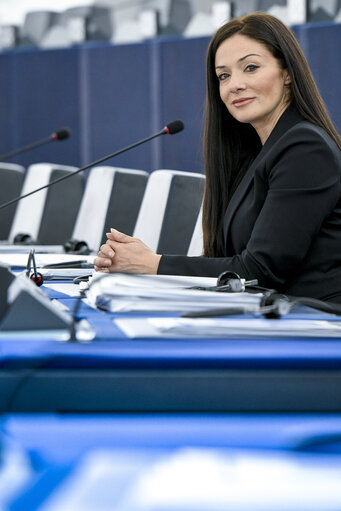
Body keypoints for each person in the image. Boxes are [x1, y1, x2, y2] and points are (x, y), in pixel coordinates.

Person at [94, 12, 341, 303]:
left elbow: (258, 271)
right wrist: (139, 265)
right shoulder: (257, 153)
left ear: (287, 73)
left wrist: (151, 263)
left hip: (314, 327)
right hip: (266, 318)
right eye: (223, 75)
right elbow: (230, 261)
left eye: (250, 67)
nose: (234, 84)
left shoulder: (305, 147)